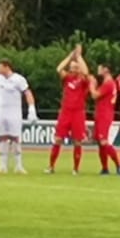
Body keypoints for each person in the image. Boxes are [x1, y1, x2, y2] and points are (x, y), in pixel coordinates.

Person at [47, 46, 93, 175]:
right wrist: (70, 56)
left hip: (78, 112)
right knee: (58, 139)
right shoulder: (67, 78)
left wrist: (79, 57)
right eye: (72, 66)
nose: (74, 68)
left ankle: (76, 168)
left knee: (77, 141)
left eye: (76, 66)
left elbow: (86, 72)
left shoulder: (83, 80)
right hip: (65, 111)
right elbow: (59, 68)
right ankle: (51, 166)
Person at [0, 58, 35, 174]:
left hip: (14, 114)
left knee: (15, 138)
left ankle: (19, 165)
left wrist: (31, 109)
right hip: (1, 113)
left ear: (6, 67)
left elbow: (27, 93)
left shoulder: (18, 79)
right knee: (2, 138)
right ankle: (2, 165)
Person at [91, 62, 118, 175]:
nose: (98, 70)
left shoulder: (108, 83)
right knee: (99, 142)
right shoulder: (108, 83)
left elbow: (95, 95)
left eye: (100, 68)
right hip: (101, 114)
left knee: (103, 141)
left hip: (104, 115)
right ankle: (105, 168)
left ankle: (119, 166)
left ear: (106, 70)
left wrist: (91, 84)